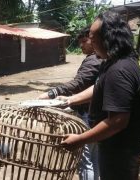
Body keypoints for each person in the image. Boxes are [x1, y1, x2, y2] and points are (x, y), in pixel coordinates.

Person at [57, 11, 140, 180]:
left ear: (108, 39)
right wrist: (71, 99)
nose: (91, 45)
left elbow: (117, 121)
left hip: (121, 147)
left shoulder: (119, 70)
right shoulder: (116, 61)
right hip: (120, 143)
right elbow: (100, 86)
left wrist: (80, 139)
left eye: (93, 40)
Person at [38, 26, 102, 180]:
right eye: (80, 42)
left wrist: (52, 93)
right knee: (95, 157)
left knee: (84, 159)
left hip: (88, 114)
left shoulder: (94, 60)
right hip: (97, 113)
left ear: (94, 41)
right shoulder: (101, 59)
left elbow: (78, 83)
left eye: (85, 41)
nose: (81, 45)